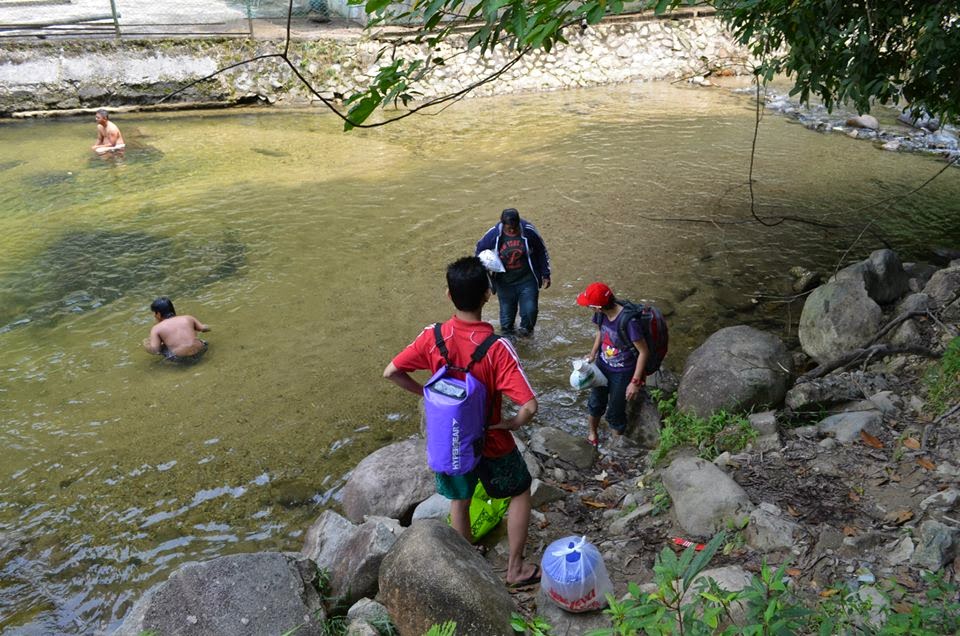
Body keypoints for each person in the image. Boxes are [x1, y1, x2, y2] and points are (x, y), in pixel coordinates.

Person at [383, 256, 541, 587]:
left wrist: (427, 394)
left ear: (448, 294)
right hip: (490, 439)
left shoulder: (432, 337)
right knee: (520, 489)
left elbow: (393, 372)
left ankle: (467, 562)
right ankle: (515, 568)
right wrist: (512, 424)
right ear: (488, 294)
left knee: (460, 498)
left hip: (449, 439)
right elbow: (528, 404)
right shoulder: (497, 348)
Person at [577, 282, 649, 447]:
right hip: (602, 366)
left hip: (623, 373)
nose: (589, 308)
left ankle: (616, 446)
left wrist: (635, 382)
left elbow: (644, 352)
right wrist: (593, 353)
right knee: (595, 403)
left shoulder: (628, 322)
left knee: (615, 412)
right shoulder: (601, 315)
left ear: (598, 307)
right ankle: (592, 433)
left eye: (590, 306)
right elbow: (599, 332)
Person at [475, 208, 551, 337]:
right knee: (506, 319)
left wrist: (546, 274)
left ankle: (527, 336)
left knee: (530, 311)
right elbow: (479, 251)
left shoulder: (528, 231)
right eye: (508, 228)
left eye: (514, 228)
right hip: (504, 283)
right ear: (502, 224)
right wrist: (484, 278)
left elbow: (541, 251)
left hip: (527, 280)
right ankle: (509, 342)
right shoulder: (493, 234)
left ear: (518, 223)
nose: (512, 231)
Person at [143, 297, 210, 363]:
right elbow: (204, 328)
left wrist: (146, 344)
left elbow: (155, 350)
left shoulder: (156, 328)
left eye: (154, 313)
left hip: (180, 357)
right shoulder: (187, 318)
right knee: (200, 341)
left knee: (162, 348)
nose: (154, 316)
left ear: (158, 314)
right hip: (200, 350)